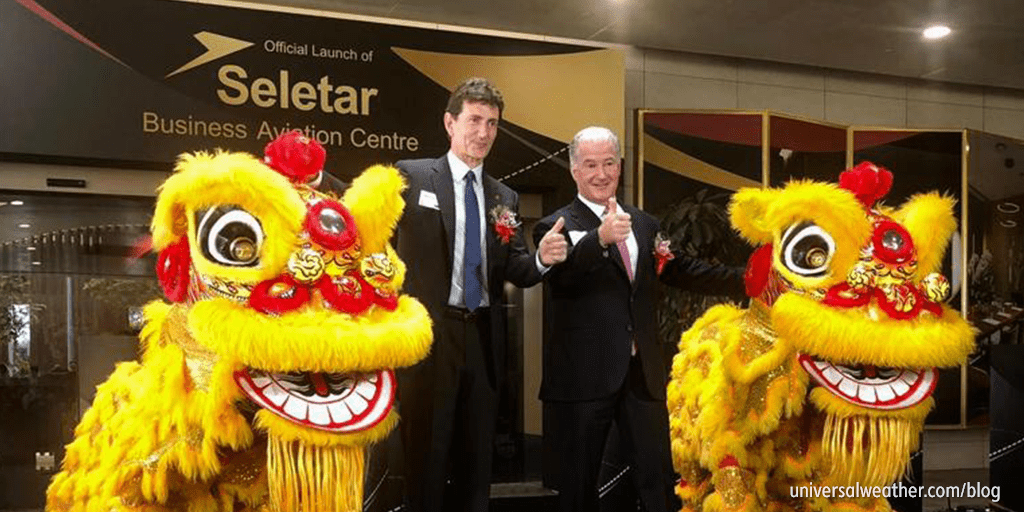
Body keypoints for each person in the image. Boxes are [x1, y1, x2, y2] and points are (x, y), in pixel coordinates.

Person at [532, 126, 745, 512]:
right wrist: (599, 239)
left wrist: (748, 279)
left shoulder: (644, 224)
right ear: (574, 170)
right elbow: (562, 279)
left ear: (620, 166)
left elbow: (681, 269)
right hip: (583, 378)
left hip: (641, 375)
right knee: (578, 487)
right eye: (590, 165)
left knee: (658, 480)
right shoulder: (554, 226)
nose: (601, 174)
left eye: (609, 163)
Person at [394, 77, 567, 512]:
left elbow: (517, 269)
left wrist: (543, 259)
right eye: (474, 120)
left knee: (477, 464)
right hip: (430, 338)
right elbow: (380, 244)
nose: (484, 132)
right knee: (426, 458)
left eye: (492, 123)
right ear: (450, 123)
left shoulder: (503, 197)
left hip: (482, 341)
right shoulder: (411, 177)